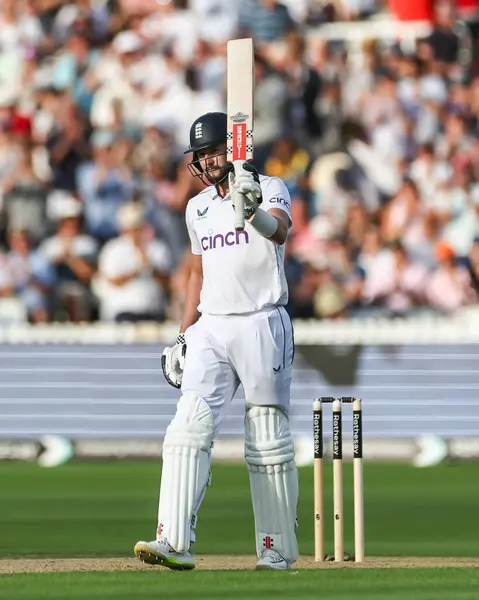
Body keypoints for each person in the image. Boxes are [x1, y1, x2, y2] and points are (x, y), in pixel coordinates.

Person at [134, 112, 298, 571]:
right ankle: (173, 540)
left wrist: (254, 212)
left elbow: (282, 231)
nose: (208, 161)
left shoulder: (269, 186)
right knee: (186, 430)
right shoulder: (197, 207)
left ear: (236, 148)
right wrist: (184, 333)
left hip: (262, 319)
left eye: (214, 151)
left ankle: (275, 549)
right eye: (201, 155)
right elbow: (198, 271)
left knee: (266, 438)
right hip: (212, 324)